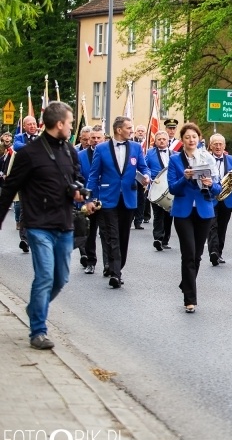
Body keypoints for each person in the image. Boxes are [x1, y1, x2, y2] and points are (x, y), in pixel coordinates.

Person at [0, 102, 92, 350]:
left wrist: (80, 192)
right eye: (70, 123)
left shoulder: (69, 151)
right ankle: (38, 331)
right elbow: (9, 189)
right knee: (44, 276)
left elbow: (77, 178)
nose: (72, 127)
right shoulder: (29, 154)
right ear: (59, 124)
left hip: (64, 223)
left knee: (61, 278)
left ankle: (34, 308)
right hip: (38, 225)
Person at [85, 116, 151, 289]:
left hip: (129, 197)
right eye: (129, 127)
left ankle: (117, 266)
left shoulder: (136, 148)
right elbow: (93, 175)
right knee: (112, 234)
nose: (131, 130)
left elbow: (144, 168)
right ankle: (116, 273)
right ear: (118, 129)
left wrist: (146, 177)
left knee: (123, 236)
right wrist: (90, 198)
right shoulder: (101, 149)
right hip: (109, 197)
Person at [167, 123, 220, 312]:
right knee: (188, 254)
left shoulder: (207, 158)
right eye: (187, 137)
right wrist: (185, 177)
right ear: (182, 140)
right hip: (183, 212)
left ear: (199, 139)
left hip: (204, 210)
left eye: (194, 137)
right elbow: (173, 188)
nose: (191, 140)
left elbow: (218, 189)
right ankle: (190, 299)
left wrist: (210, 184)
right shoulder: (175, 160)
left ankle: (186, 283)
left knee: (197, 255)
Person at [76, 125, 107, 274]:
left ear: (104, 138)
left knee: (107, 234)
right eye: (92, 138)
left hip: (107, 199)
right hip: (89, 200)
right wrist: (85, 198)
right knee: (90, 233)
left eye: (98, 138)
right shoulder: (81, 155)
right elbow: (79, 178)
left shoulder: (110, 153)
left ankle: (109, 264)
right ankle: (90, 262)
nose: (95, 141)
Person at [207, 133, 232, 266]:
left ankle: (219, 252)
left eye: (220, 144)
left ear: (224, 145)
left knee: (222, 227)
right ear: (210, 145)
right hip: (210, 198)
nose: (218, 146)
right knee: (212, 226)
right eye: (215, 143)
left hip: (227, 199)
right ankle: (213, 252)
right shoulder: (206, 159)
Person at [12, 115, 39, 253]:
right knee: (24, 209)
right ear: (24, 126)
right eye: (30, 124)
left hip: (40, 182)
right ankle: (24, 239)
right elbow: (16, 146)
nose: (33, 126)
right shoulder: (20, 137)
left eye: (34, 124)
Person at [144, 130, 175, 251]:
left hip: (171, 189)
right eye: (159, 139)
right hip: (155, 188)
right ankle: (158, 238)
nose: (162, 141)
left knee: (168, 214)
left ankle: (165, 240)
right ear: (155, 141)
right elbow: (145, 167)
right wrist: (149, 177)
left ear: (168, 141)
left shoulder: (175, 154)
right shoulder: (150, 153)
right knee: (158, 214)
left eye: (164, 139)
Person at [132, 124, 151, 227]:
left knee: (142, 198)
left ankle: (139, 221)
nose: (140, 132)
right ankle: (131, 218)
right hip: (132, 174)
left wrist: (146, 174)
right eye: (138, 131)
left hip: (142, 175)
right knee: (133, 197)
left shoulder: (149, 144)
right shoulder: (132, 143)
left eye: (142, 131)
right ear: (135, 133)